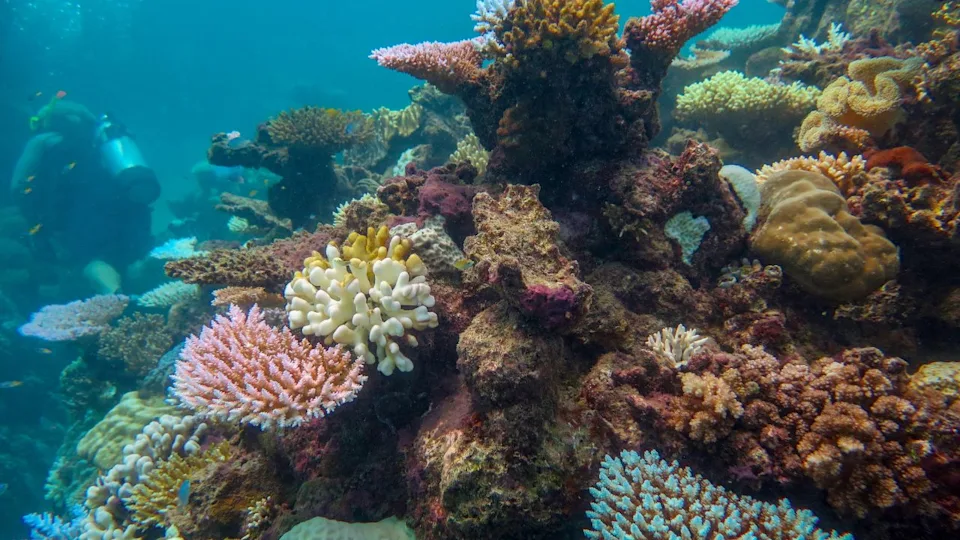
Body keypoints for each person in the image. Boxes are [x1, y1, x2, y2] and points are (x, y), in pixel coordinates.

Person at [10, 97, 161, 294]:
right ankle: (157, 293)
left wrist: (39, 219)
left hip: (84, 212)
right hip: (129, 202)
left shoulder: (42, 141)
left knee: (93, 261)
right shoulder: (104, 138)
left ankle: (120, 301)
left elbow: (17, 187)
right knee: (135, 255)